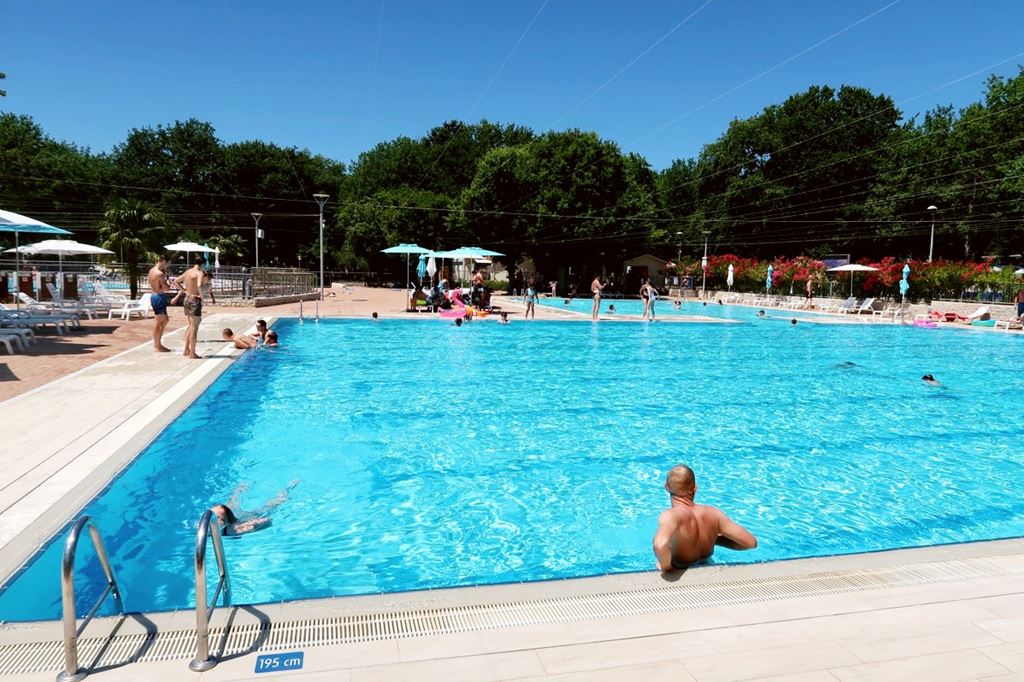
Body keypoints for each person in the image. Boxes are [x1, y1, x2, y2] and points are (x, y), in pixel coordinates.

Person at [652, 465, 757, 571]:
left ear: (667, 487)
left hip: (681, 570)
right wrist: (715, 539)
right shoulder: (714, 514)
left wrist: (667, 568)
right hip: (708, 567)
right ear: (695, 488)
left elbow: (660, 545)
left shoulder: (670, 516)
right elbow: (751, 542)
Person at [212, 480, 298, 536]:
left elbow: (267, 520)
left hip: (248, 518)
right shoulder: (207, 524)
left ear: (221, 522)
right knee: (231, 503)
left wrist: (251, 524)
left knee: (271, 505)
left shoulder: (232, 530)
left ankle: (288, 488)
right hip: (234, 518)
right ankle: (240, 489)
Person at [172, 256, 209, 359]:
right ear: (203, 264)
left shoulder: (188, 272)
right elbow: (199, 285)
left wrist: (184, 291)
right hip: (194, 300)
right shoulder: (199, 273)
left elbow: (175, 281)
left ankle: (186, 350)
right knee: (194, 328)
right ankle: (192, 353)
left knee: (190, 326)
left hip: (187, 299)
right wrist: (202, 297)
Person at [147, 255, 173, 352]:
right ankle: (157, 345)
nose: (168, 266)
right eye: (168, 264)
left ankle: (158, 344)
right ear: (164, 261)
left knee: (164, 320)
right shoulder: (159, 273)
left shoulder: (151, 271)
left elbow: (157, 286)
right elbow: (166, 288)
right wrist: (169, 283)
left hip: (155, 296)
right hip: (159, 297)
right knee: (159, 322)